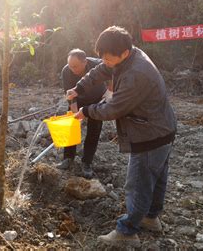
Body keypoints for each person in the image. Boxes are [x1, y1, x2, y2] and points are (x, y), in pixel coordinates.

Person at [66, 26, 176, 247]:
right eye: (102, 56)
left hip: (150, 133)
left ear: (124, 53)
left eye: (108, 58)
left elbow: (114, 108)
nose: (104, 61)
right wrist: (79, 87)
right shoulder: (125, 57)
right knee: (155, 177)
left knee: (137, 183)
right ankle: (151, 217)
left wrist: (86, 111)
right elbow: (100, 70)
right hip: (161, 128)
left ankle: (127, 231)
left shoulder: (137, 73)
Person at [58, 49, 106, 178]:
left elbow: (112, 75)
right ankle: (68, 158)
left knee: (94, 131)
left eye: (75, 66)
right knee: (71, 127)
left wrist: (109, 92)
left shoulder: (98, 65)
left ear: (85, 62)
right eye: (70, 66)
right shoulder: (66, 71)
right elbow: (70, 96)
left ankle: (87, 162)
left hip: (97, 101)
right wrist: (76, 115)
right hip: (78, 101)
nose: (72, 69)